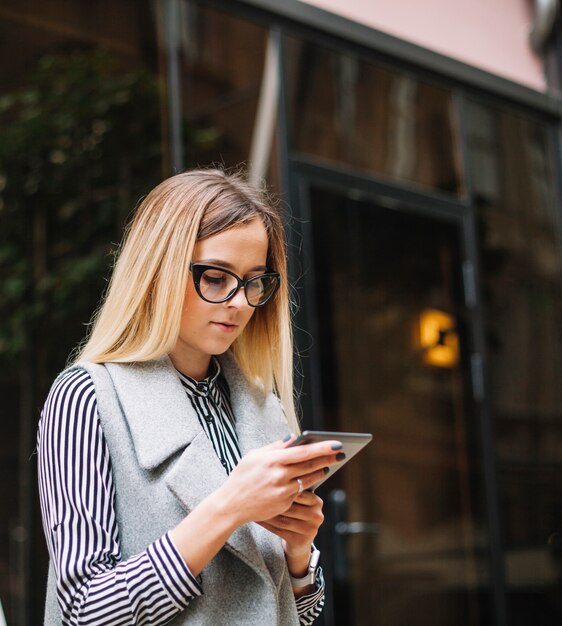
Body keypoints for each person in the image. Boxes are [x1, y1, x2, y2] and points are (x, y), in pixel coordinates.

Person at [37, 168, 344, 625]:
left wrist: (299, 557)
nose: (240, 302)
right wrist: (228, 507)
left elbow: (295, 613)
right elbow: (85, 610)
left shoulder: (262, 407)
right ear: (157, 271)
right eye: (216, 277)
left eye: (254, 281)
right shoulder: (88, 398)